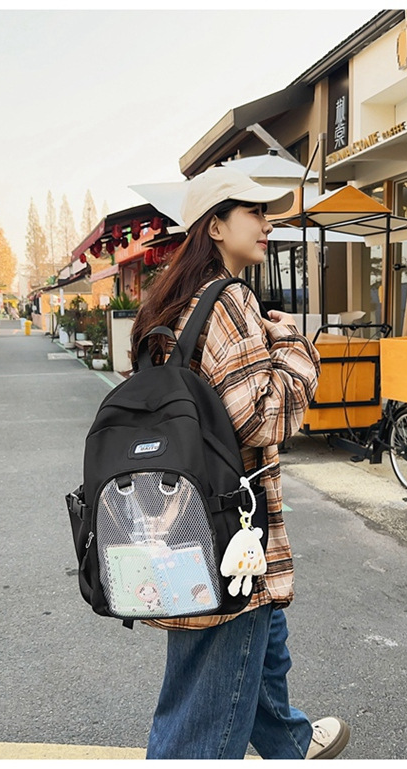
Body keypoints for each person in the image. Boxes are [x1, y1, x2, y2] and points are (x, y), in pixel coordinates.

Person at [130, 166, 351, 760]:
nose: (267, 222)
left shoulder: (171, 304)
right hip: (230, 526)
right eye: (254, 211)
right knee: (204, 708)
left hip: (183, 514)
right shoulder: (230, 300)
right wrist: (295, 346)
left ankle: (291, 744)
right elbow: (260, 419)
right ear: (216, 226)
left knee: (263, 642)